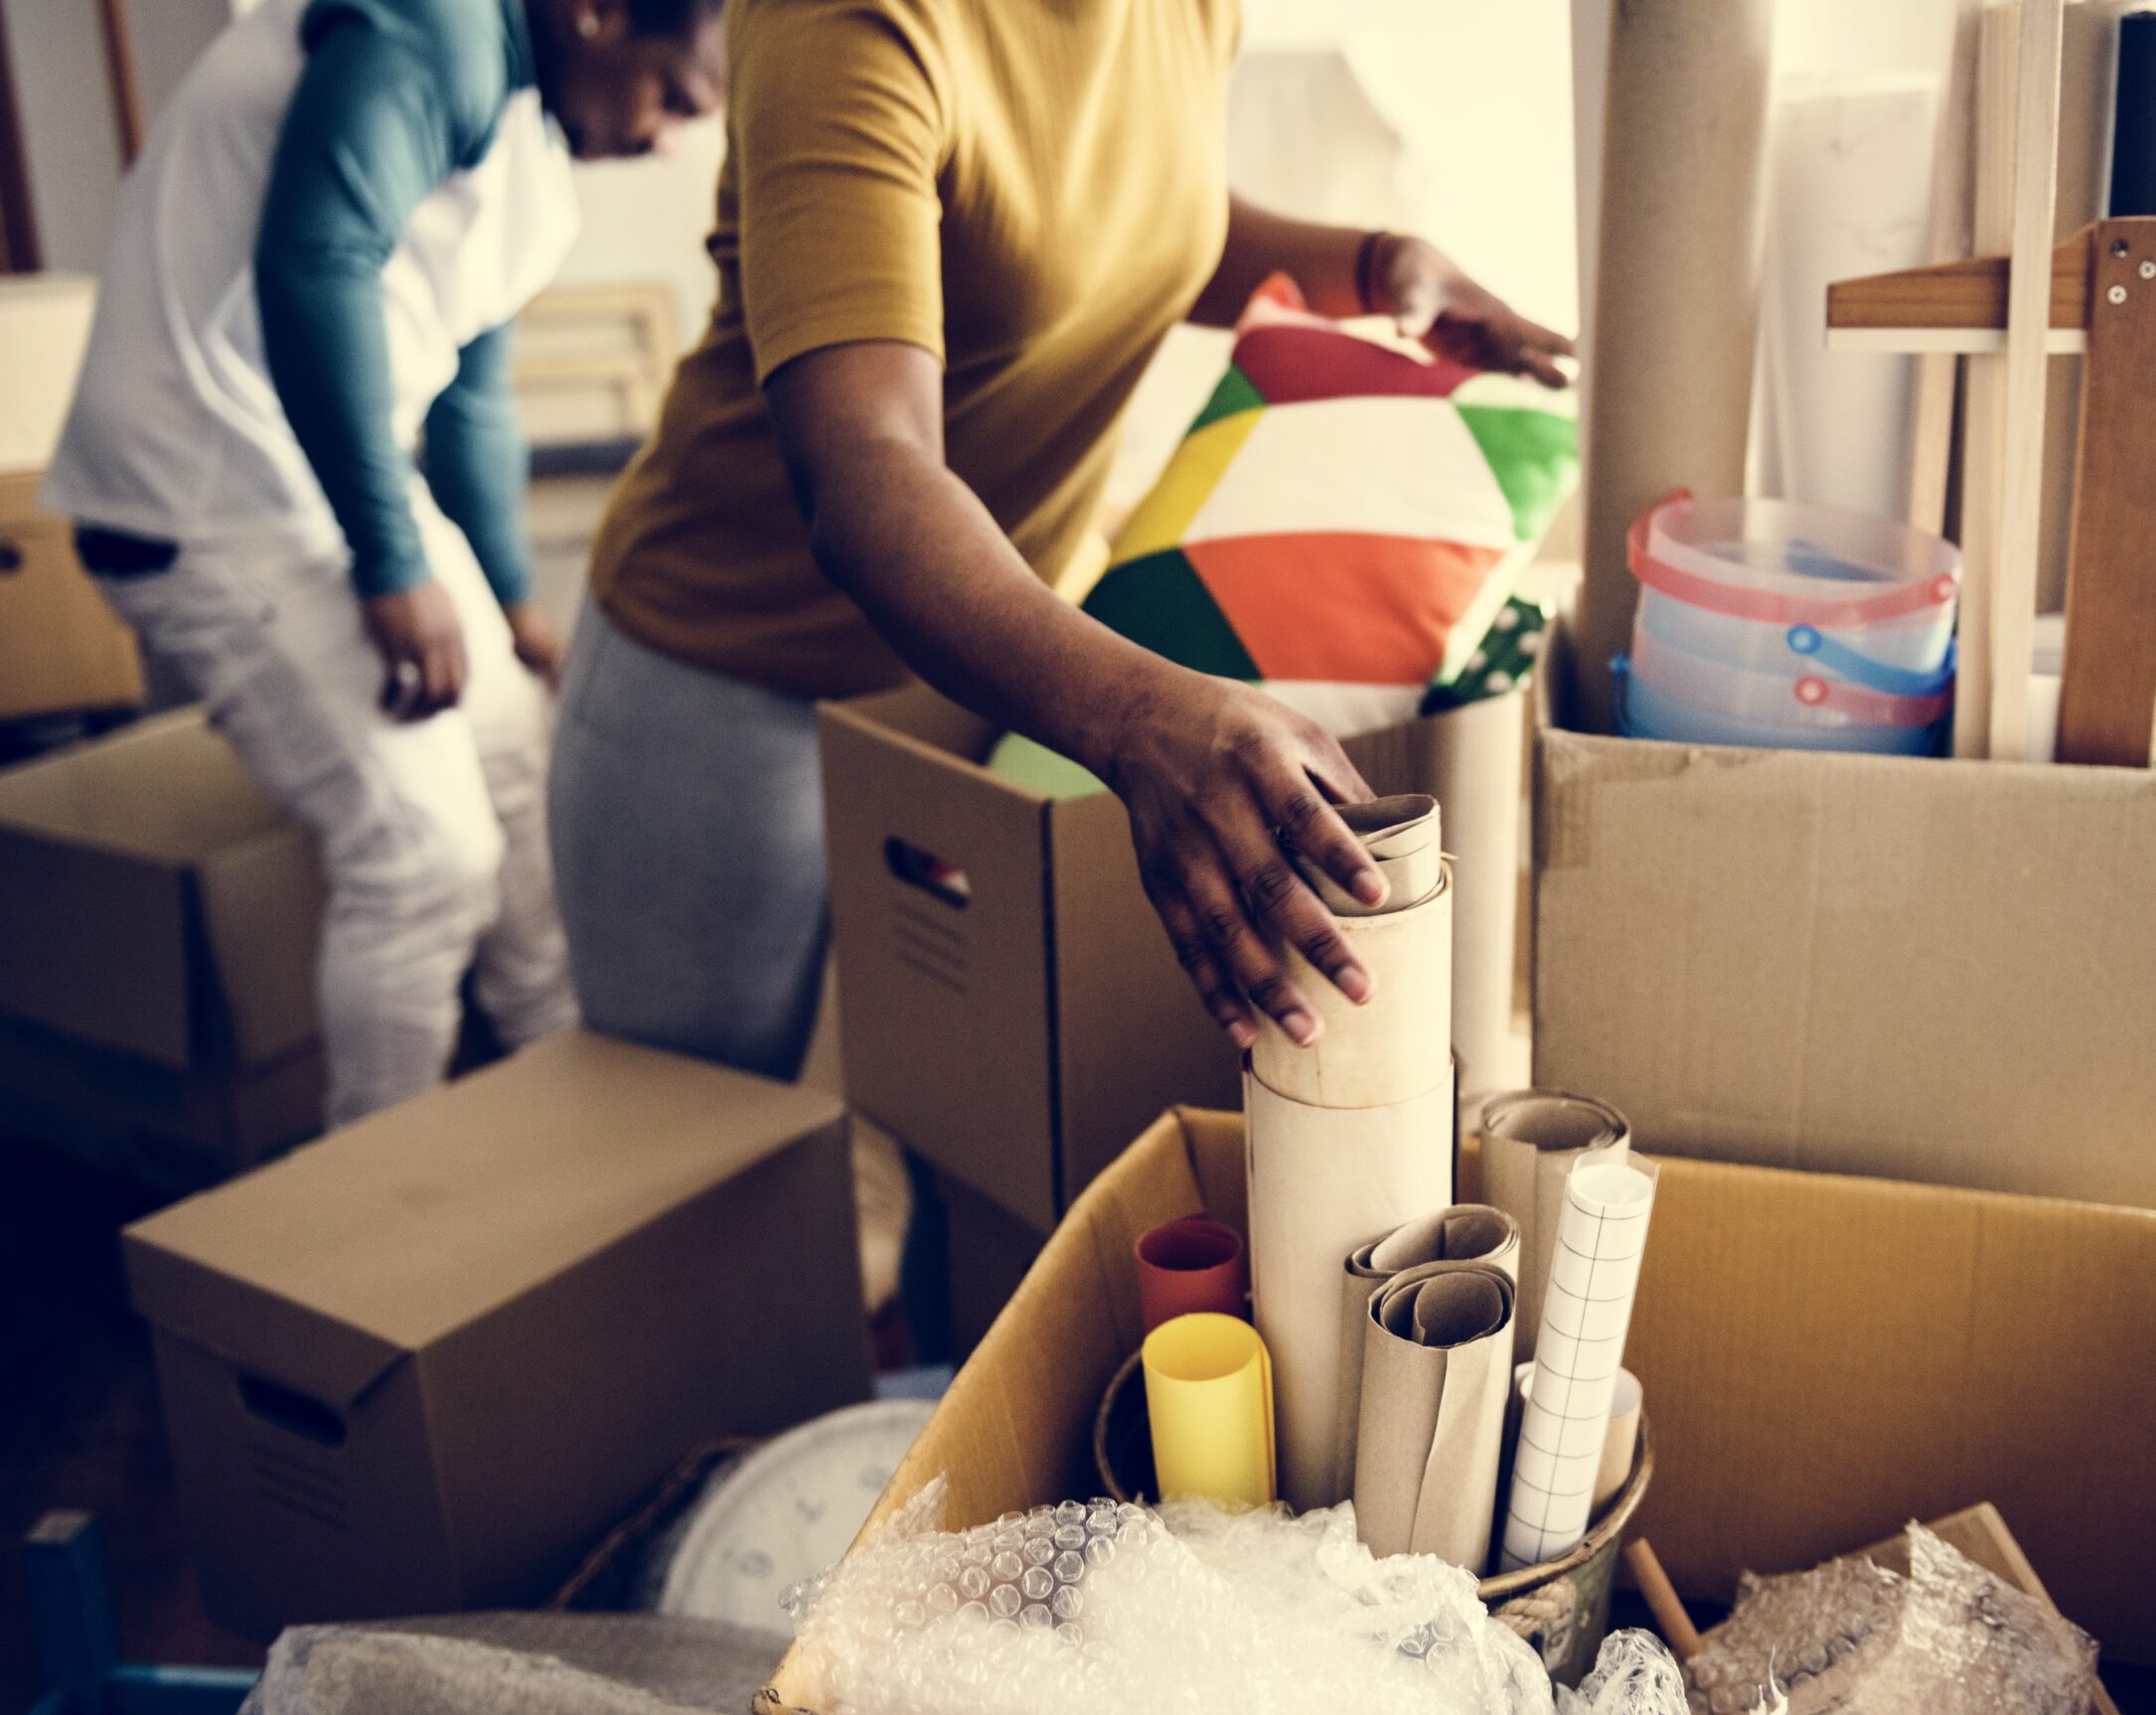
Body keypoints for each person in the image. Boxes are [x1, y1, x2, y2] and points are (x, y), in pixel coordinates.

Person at [548, 0, 1570, 1081]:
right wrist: (1141, 717)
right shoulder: (844, 21)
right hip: (730, 672)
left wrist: (1374, 264)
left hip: (983, 660)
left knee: (950, 1104)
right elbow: (865, 466)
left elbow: (1134, 222)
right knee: (706, 1145)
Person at [43, 0, 726, 1127]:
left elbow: (471, 398)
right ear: (599, 17)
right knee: (426, 854)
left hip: (303, 483)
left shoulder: (535, 155)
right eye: (672, 97)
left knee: (517, 762)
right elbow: (318, 260)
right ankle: (378, 1222)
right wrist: (392, 561)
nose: (667, 138)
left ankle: (574, 1127)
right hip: (199, 488)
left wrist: (510, 599)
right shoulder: (441, 26)